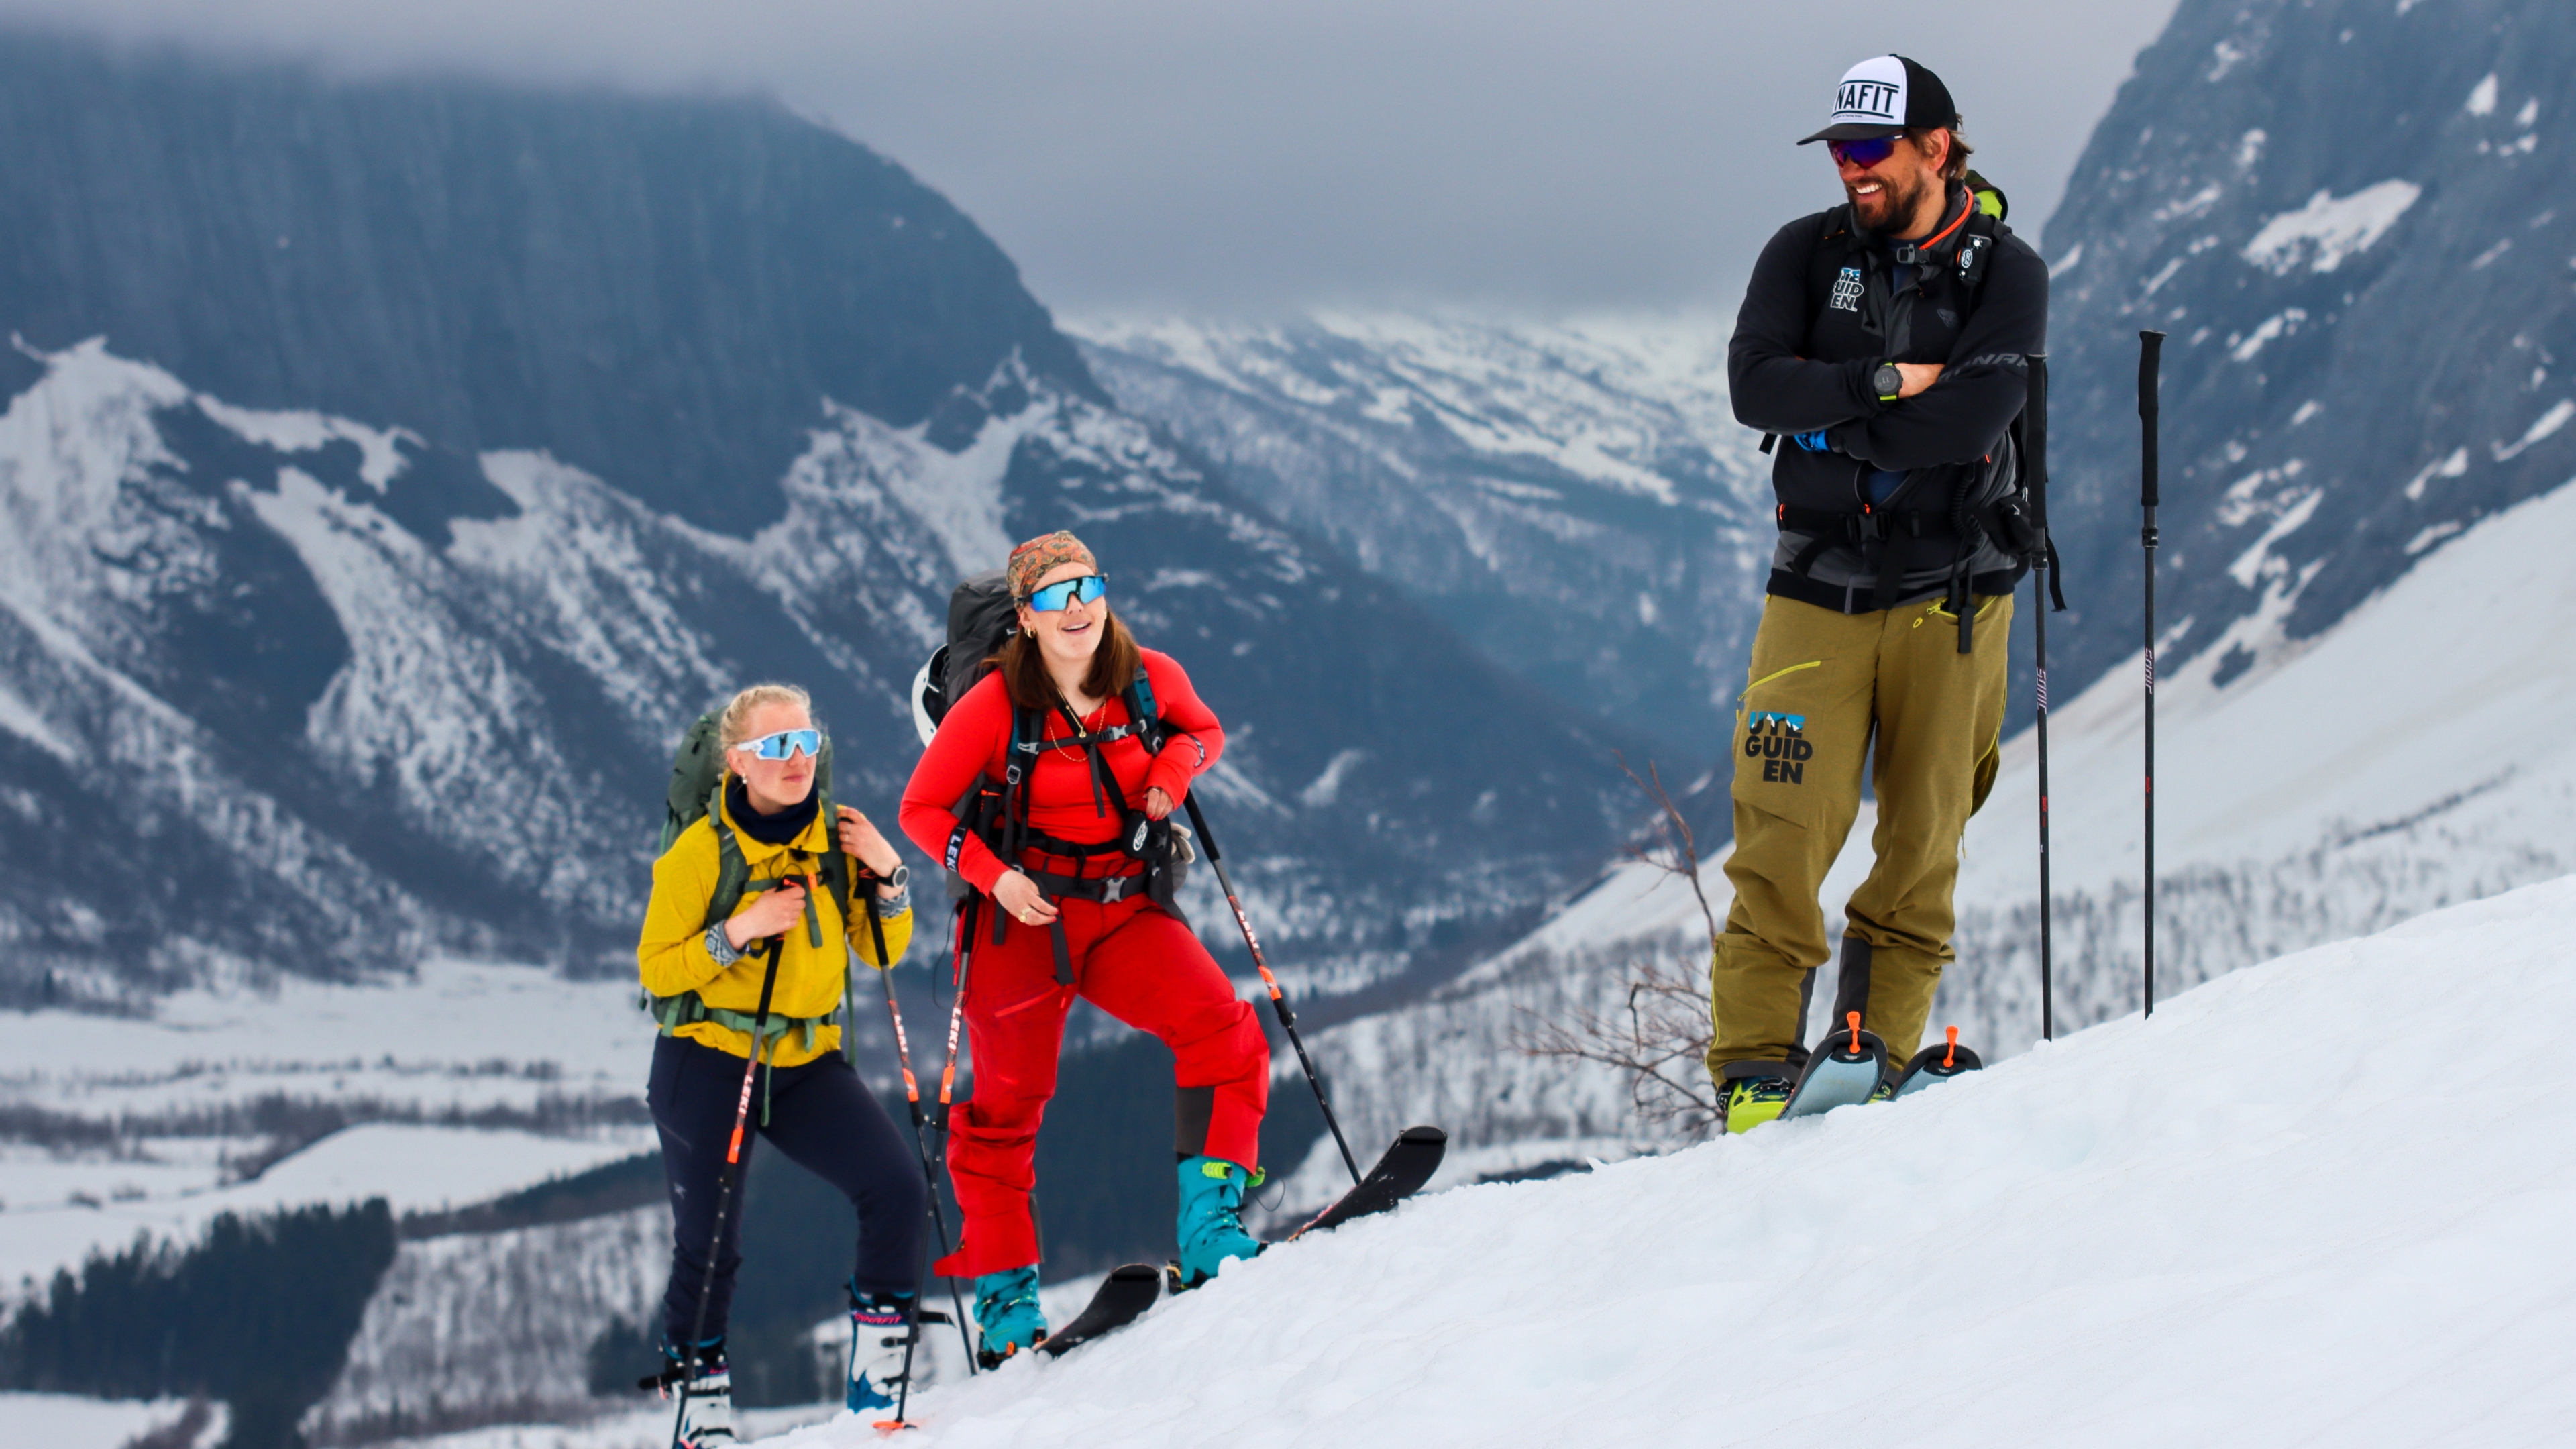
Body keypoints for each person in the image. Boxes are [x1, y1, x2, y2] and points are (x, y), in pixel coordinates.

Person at [1713, 55, 2047, 1132]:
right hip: (1817, 584)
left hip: (1960, 591)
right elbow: (1751, 386)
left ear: (1937, 149)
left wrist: (1829, 415)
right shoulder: (1803, 254)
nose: (1851, 170)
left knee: (1923, 845)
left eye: (1872, 151)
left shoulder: (2008, 272)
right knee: (1780, 835)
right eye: (1841, 151)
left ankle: (1878, 1056)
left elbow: (1973, 425)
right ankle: (1757, 1077)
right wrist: (1881, 384)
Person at [900, 530, 1269, 1362]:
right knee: (1003, 1110)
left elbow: (1203, 732)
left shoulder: (1149, 676)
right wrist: (995, 876)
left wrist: (1172, 776)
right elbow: (921, 811)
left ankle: (1209, 1227)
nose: (1079, 609)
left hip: (1122, 910)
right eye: (1056, 596)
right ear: (1026, 616)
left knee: (1225, 1031)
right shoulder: (992, 706)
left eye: (1089, 587)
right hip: (1018, 929)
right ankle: (1005, 1304)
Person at [638, 682, 922, 1442]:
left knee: (896, 1188)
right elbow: (657, 970)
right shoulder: (699, 853)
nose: (796, 759)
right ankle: (700, 1414)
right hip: (706, 1058)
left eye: (806, 743)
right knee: (710, 1240)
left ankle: (879, 1387)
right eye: (774, 747)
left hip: (802, 1059)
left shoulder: (838, 836)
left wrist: (890, 877)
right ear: (736, 762)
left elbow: (880, 950)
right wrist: (739, 930)